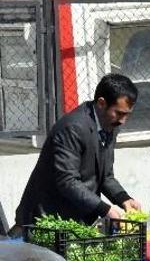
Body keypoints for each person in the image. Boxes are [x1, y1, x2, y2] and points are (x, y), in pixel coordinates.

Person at [15, 74, 141, 228]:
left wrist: (123, 199)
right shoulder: (72, 127)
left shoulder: (110, 125)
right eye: (120, 113)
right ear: (101, 103)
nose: (123, 121)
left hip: (77, 218)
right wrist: (105, 209)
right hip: (46, 219)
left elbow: (105, 176)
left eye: (127, 114)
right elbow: (67, 181)